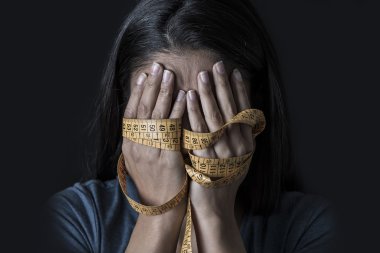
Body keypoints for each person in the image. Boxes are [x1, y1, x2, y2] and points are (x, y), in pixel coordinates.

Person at [43, 0, 334, 252]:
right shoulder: (74, 220)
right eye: (163, 107)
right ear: (126, 107)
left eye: (211, 109)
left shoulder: (311, 228)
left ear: (254, 107)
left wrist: (213, 214)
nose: (186, 132)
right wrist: (160, 213)